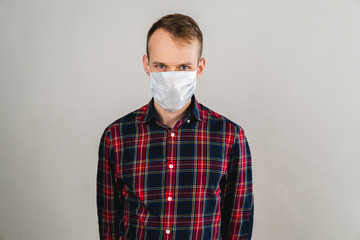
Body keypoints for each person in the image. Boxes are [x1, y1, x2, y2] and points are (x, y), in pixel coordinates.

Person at [97, 13, 253, 240]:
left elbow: (238, 225)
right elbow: (109, 224)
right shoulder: (117, 137)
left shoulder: (230, 137)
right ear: (146, 64)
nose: (171, 77)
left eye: (183, 67)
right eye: (161, 65)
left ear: (200, 68)